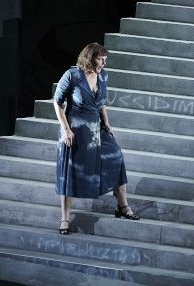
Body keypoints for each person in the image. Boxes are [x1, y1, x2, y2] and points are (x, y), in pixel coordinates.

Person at [53, 42, 139, 235]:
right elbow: (57, 103)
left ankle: (122, 206)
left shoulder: (103, 76)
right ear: (90, 57)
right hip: (75, 128)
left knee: (116, 157)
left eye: (104, 60)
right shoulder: (72, 75)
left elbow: (101, 103)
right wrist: (65, 130)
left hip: (97, 127)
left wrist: (107, 122)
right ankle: (65, 218)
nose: (103, 64)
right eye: (100, 59)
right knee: (72, 171)